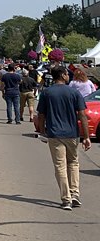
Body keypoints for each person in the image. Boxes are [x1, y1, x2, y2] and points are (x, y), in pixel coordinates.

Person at [36, 65, 91, 209]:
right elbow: (82, 115)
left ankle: (66, 198)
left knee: (60, 166)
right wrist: (86, 136)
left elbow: (41, 115)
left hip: (54, 134)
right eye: (67, 74)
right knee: (73, 163)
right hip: (72, 133)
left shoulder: (47, 93)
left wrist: (42, 132)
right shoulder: (74, 93)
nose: (69, 76)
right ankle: (74, 194)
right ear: (62, 75)